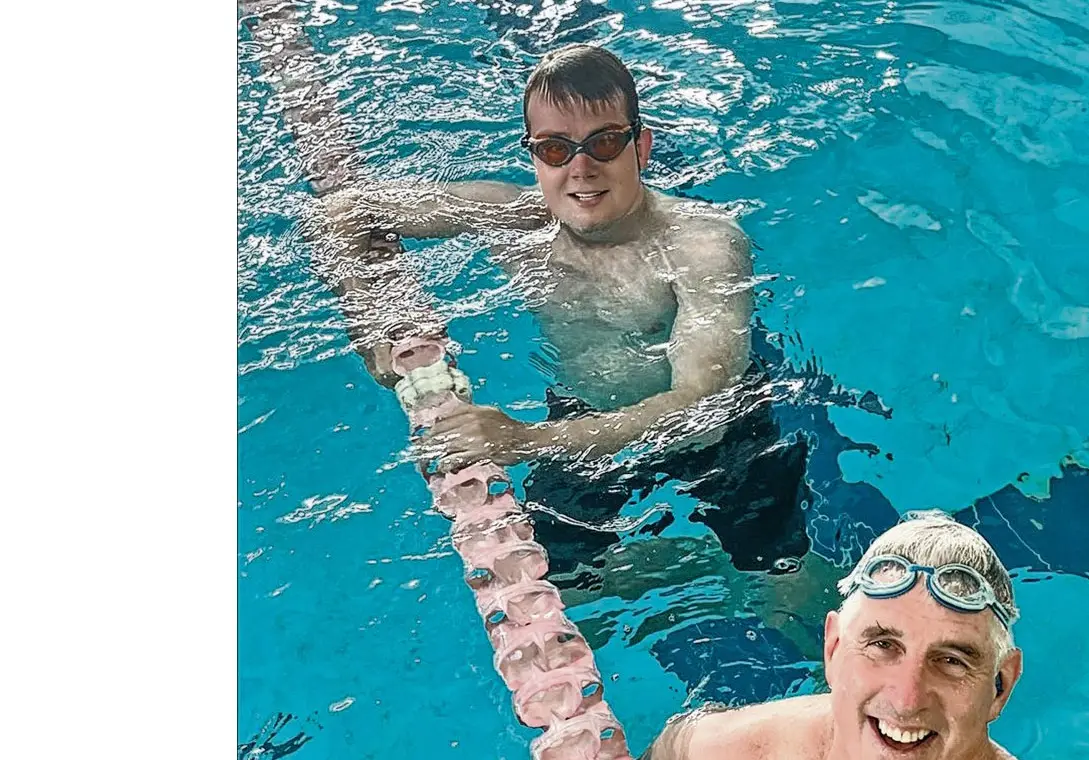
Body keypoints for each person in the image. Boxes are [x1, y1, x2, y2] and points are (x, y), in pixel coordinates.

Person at [317, 42, 887, 584]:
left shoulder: (702, 245)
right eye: (556, 149)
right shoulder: (517, 222)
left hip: (724, 442)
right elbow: (343, 214)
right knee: (555, 587)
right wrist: (373, 326)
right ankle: (689, 564)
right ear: (535, 156)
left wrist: (524, 441)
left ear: (641, 147)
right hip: (581, 417)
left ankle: (743, 567)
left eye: (605, 142)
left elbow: (704, 407)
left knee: (781, 585)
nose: (581, 168)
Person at [640, 511, 1024, 760]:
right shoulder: (732, 750)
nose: (907, 701)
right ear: (834, 650)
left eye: (951, 661)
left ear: (1001, 687)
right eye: (882, 646)